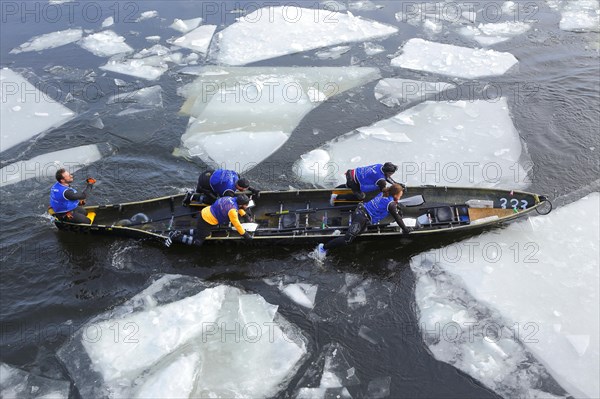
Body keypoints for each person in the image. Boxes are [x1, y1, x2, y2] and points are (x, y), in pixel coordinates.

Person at [315, 184, 411, 260]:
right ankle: (323, 248)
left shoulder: (384, 192)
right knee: (347, 240)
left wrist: (397, 206)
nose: (401, 195)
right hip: (361, 217)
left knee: (361, 231)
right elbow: (398, 218)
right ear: (395, 195)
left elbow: (390, 205)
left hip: (360, 211)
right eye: (400, 194)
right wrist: (406, 230)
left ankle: (341, 234)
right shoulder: (391, 205)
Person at [166, 194, 254, 247]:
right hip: (207, 221)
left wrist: (244, 215)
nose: (247, 207)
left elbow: (237, 208)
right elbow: (237, 224)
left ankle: (180, 232)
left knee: (201, 232)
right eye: (246, 205)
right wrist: (246, 235)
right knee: (198, 242)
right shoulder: (233, 212)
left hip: (206, 212)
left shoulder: (230, 198)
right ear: (242, 204)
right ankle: (176, 236)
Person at [332, 162, 402, 204]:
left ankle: (336, 189)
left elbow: (386, 177)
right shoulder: (381, 181)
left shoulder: (380, 166)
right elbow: (383, 191)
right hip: (354, 181)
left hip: (351, 173)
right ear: (388, 172)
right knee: (361, 196)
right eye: (391, 174)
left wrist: (395, 183)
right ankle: (337, 197)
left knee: (348, 185)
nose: (391, 175)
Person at [192, 169, 260, 204]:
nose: (245, 190)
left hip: (208, 173)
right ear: (240, 187)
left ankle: (198, 190)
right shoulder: (229, 192)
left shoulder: (236, 175)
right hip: (204, 181)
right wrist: (247, 201)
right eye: (244, 189)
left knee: (200, 189)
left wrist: (254, 190)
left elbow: (244, 185)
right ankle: (194, 197)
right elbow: (230, 202)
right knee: (216, 200)